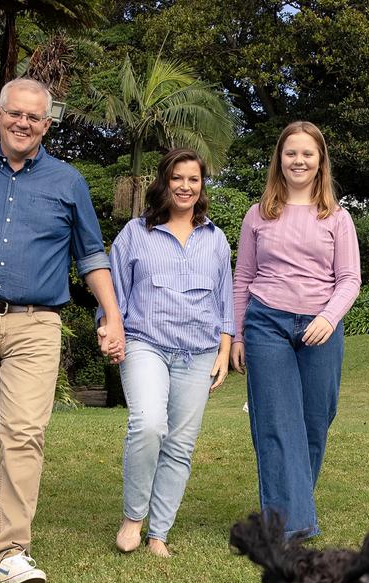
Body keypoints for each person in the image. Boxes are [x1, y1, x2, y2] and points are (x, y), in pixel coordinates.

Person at [0, 78, 125, 583]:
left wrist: (112, 315)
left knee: (22, 434)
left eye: (34, 118)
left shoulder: (68, 182)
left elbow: (90, 255)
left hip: (37, 324)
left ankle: (11, 550)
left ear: (47, 124)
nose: (23, 123)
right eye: (15, 114)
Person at [230, 121, 361, 539]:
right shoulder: (258, 215)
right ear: (279, 160)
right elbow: (242, 278)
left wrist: (328, 317)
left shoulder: (337, 218)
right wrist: (237, 336)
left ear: (320, 160)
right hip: (266, 322)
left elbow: (350, 279)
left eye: (307, 153)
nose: (298, 160)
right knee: (275, 421)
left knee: (315, 421)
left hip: (320, 328)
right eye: (291, 153)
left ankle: (292, 507)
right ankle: (289, 525)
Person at [105, 149, 234, 558]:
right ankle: (133, 517)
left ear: (202, 186)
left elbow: (226, 300)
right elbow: (113, 293)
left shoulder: (215, 238)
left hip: (199, 351)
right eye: (177, 178)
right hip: (146, 343)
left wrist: (224, 350)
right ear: (164, 182)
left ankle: (159, 533)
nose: (185, 186)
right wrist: (109, 329)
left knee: (180, 444)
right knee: (147, 425)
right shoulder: (135, 233)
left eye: (193, 179)